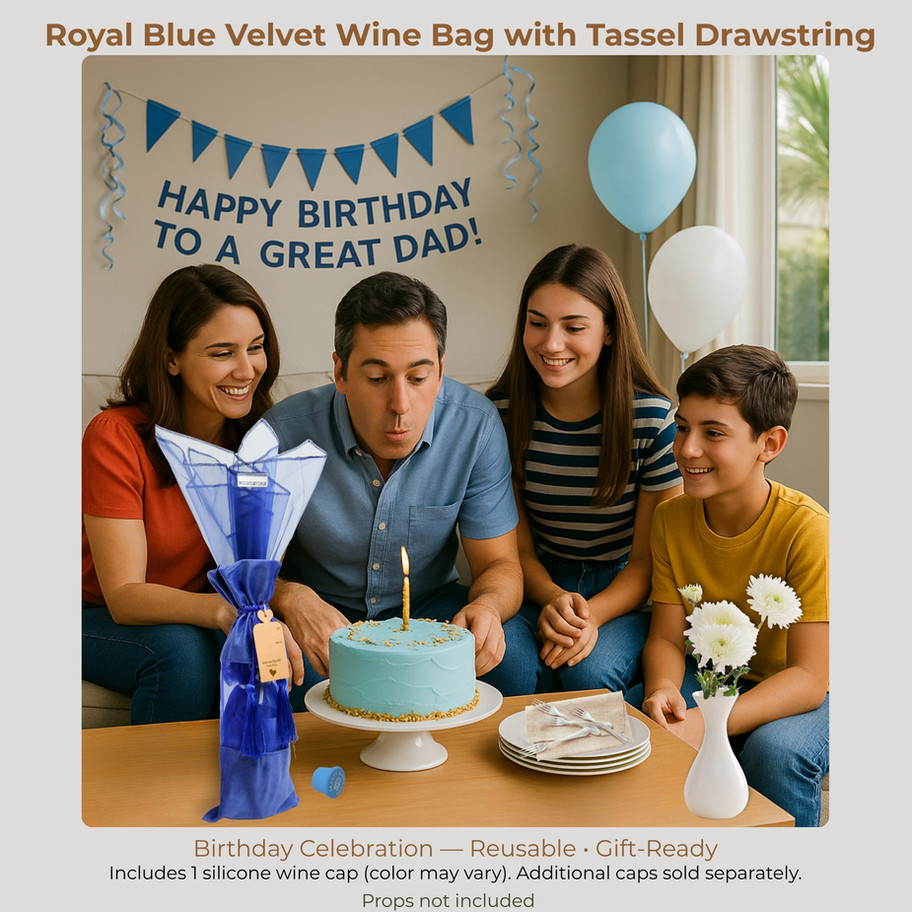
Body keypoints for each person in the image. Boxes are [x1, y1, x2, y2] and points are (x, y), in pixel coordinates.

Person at [265, 271, 523, 708]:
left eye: (419, 378)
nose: (400, 405)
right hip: (320, 610)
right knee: (277, 671)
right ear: (341, 372)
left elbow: (501, 564)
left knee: (514, 662)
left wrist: (490, 607)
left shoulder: (475, 426)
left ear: (441, 371)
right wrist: (290, 597)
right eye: (378, 378)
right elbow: (246, 571)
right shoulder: (282, 435)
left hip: (432, 607)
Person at [82, 264, 303, 724]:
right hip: (97, 614)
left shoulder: (261, 442)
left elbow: (256, 570)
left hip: (201, 614)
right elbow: (124, 595)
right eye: (223, 352)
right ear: (171, 359)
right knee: (182, 656)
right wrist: (225, 613)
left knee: (294, 661)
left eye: (256, 348)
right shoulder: (115, 437)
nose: (247, 370)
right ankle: (149, 796)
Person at [631, 345, 829, 826]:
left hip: (805, 689)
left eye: (713, 433)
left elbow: (810, 679)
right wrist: (661, 689)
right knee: (644, 718)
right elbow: (664, 635)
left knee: (776, 751)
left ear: (770, 444)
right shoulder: (670, 518)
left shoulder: (808, 529)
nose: (687, 448)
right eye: (682, 427)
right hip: (712, 676)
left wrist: (710, 721)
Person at [482, 245, 682, 697]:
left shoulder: (653, 421)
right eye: (537, 323)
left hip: (622, 591)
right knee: (504, 665)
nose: (552, 343)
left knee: (586, 673)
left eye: (574, 327)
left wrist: (588, 615)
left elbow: (649, 561)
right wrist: (553, 598)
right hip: (533, 584)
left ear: (608, 332)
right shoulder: (499, 415)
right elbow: (514, 552)